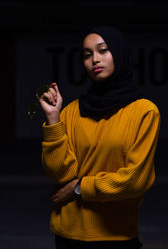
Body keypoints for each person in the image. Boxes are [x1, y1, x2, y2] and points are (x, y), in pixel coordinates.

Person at [39, 26, 161, 249]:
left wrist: (79, 188)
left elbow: (135, 180)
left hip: (115, 237)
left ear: (120, 55)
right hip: (67, 234)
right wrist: (53, 119)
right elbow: (60, 174)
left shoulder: (144, 111)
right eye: (87, 55)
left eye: (103, 50)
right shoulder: (71, 112)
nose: (95, 59)